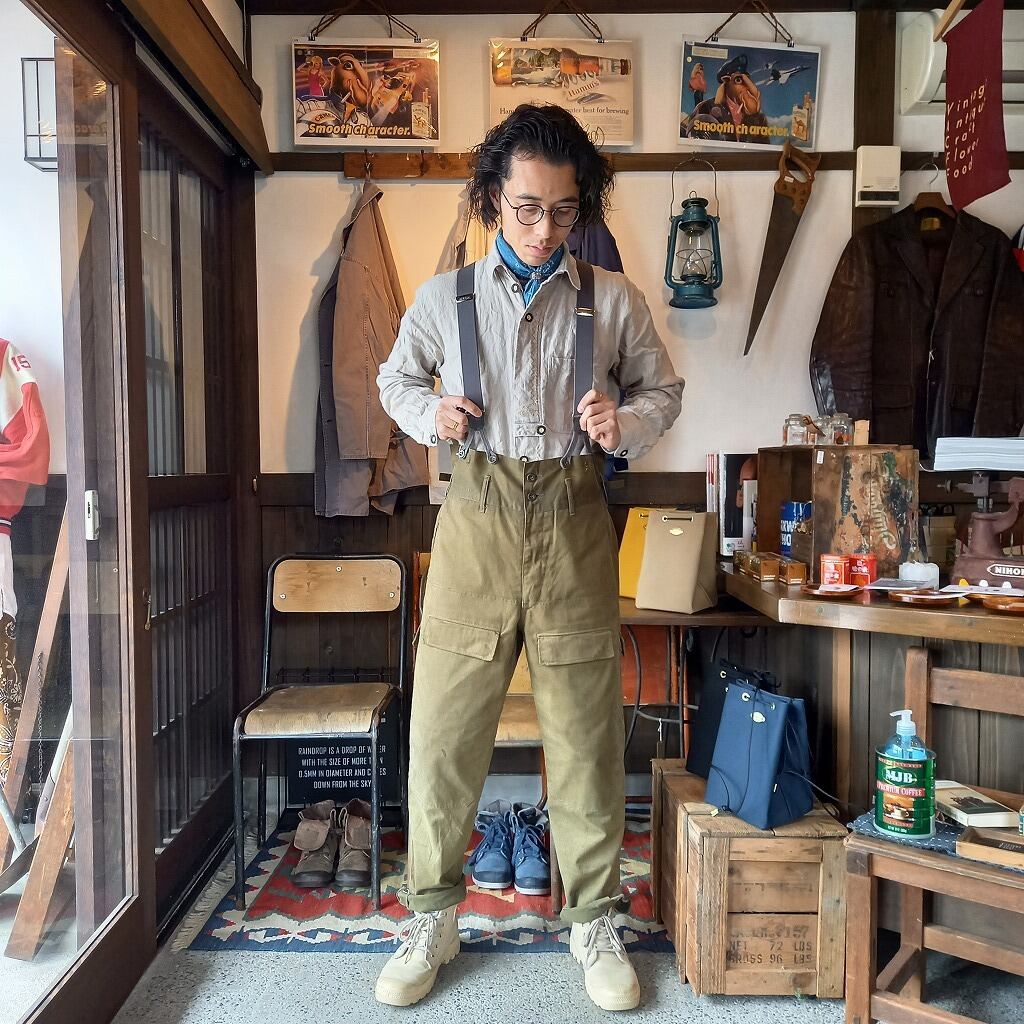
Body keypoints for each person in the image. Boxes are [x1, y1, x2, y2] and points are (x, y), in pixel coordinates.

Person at [375, 103, 684, 1011]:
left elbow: (663, 389)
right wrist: (430, 413)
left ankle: (593, 919)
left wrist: (625, 423)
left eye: (562, 211)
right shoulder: (443, 299)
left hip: (574, 517)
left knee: (586, 733)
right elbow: (395, 378)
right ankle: (433, 915)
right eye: (526, 209)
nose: (545, 230)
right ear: (491, 200)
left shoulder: (614, 300)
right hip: (473, 517)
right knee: (443, 730)